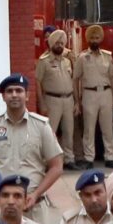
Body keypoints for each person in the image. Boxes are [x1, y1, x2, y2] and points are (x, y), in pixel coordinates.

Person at [77, 25, 113, 166]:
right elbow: (75, 79)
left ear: (100, 39)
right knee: (89, 128)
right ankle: (89, 158)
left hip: (106, 93)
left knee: (107, 127)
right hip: (89, 93)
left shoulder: (107, 56)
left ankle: (110, 157)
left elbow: (112, 78)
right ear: (88, 39)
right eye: (92, 38)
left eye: (97, 38)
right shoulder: (82, 57)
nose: (94, 41)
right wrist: (77, 100)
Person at [36, 29, 81, 157]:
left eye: (62, 43)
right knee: (50, 132)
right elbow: (37, 82)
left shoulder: (67, 62)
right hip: (52, 99)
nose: (60, 46)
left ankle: (68, 158)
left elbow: (74, 81)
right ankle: (47, 159)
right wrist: (42, 103)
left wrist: (76, 102)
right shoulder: (43, 61)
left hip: (68, 100)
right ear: (51, 44)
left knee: (68, 131)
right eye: (57, 43)